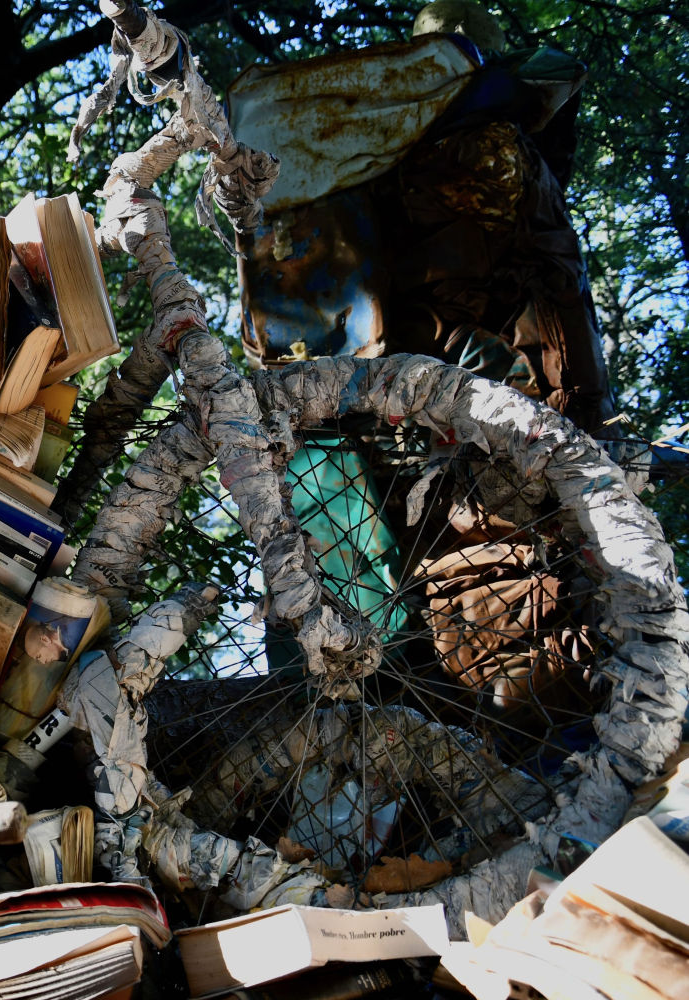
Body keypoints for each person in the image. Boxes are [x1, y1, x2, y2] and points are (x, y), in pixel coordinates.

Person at [227, 4, 610, 714]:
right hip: (422, 449)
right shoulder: (480, 150)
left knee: (502, 673)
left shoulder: (488, 148)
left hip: (468, 461)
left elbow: (548, 315)